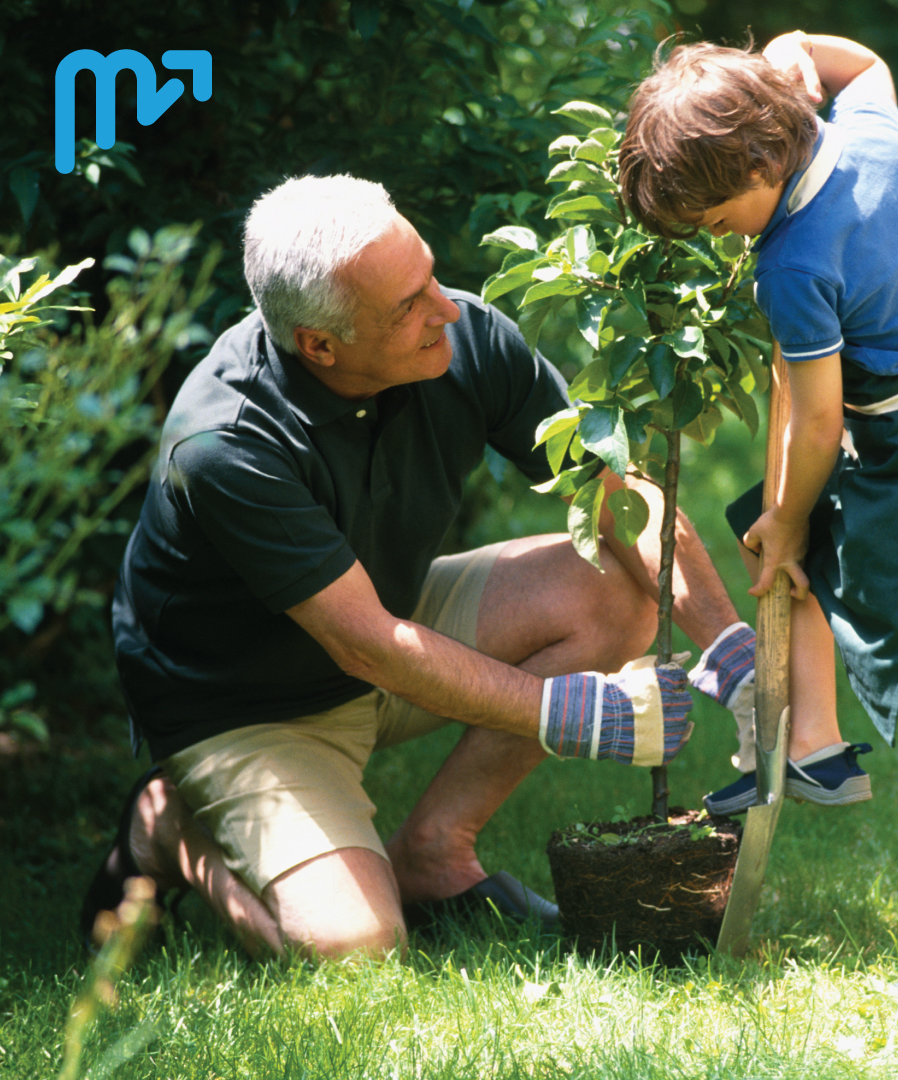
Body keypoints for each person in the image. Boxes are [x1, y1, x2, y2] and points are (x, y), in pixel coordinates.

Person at [81, 174, 758, 962]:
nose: (445, 306)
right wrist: (571, 713)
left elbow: (617, 495)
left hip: (381, 617)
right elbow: (366, 646)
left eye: (429, 274)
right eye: (407, 305)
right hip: (245, 705)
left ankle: (435, 852)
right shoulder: (226, 445)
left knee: (612, 591)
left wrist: (731, 649)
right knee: (354, 948)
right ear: (321, 345)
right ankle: (170, 831)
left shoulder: (462, 335)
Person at [618, 33, 898, 1000]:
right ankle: (817, 748)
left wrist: (787, 518)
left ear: (755, 162)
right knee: (794, 537)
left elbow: (815, 418)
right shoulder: (866, 127)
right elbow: (862, 64)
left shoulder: (792, 261)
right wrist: (794, 47)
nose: (721, 236)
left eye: (717, 216)